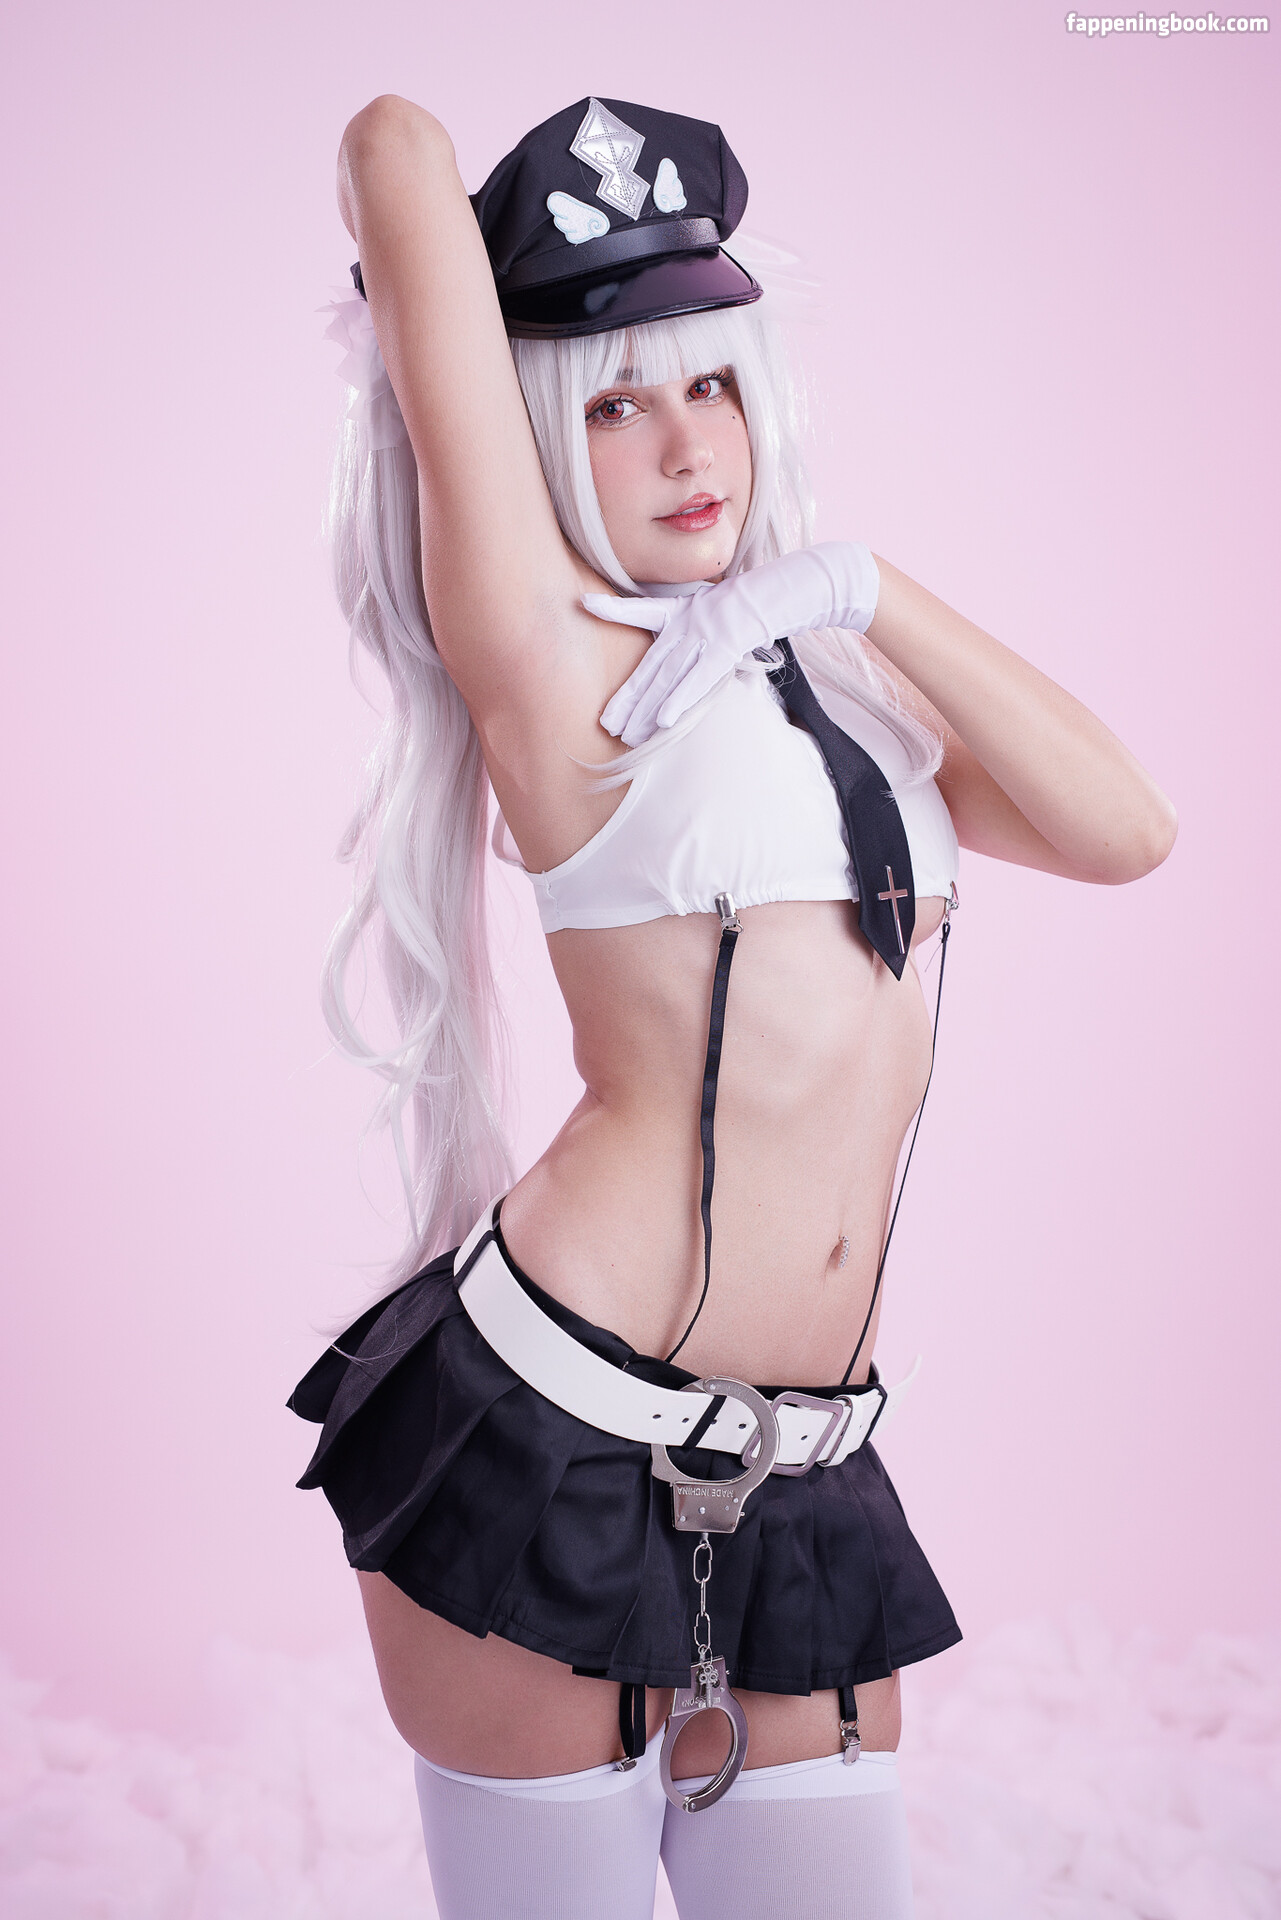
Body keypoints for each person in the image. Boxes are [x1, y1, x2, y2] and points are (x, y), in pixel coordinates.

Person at [289, 92, 1177, 1920]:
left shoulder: (843, 690)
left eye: (711, 382)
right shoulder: (549, 657)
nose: (686, 443)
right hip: (553, 1438)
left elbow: (1126, 831)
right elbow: (389, 144)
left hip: (806, 1466)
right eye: (614, 403)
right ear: (535, 428)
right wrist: (486, 282)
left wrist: (860, 589)